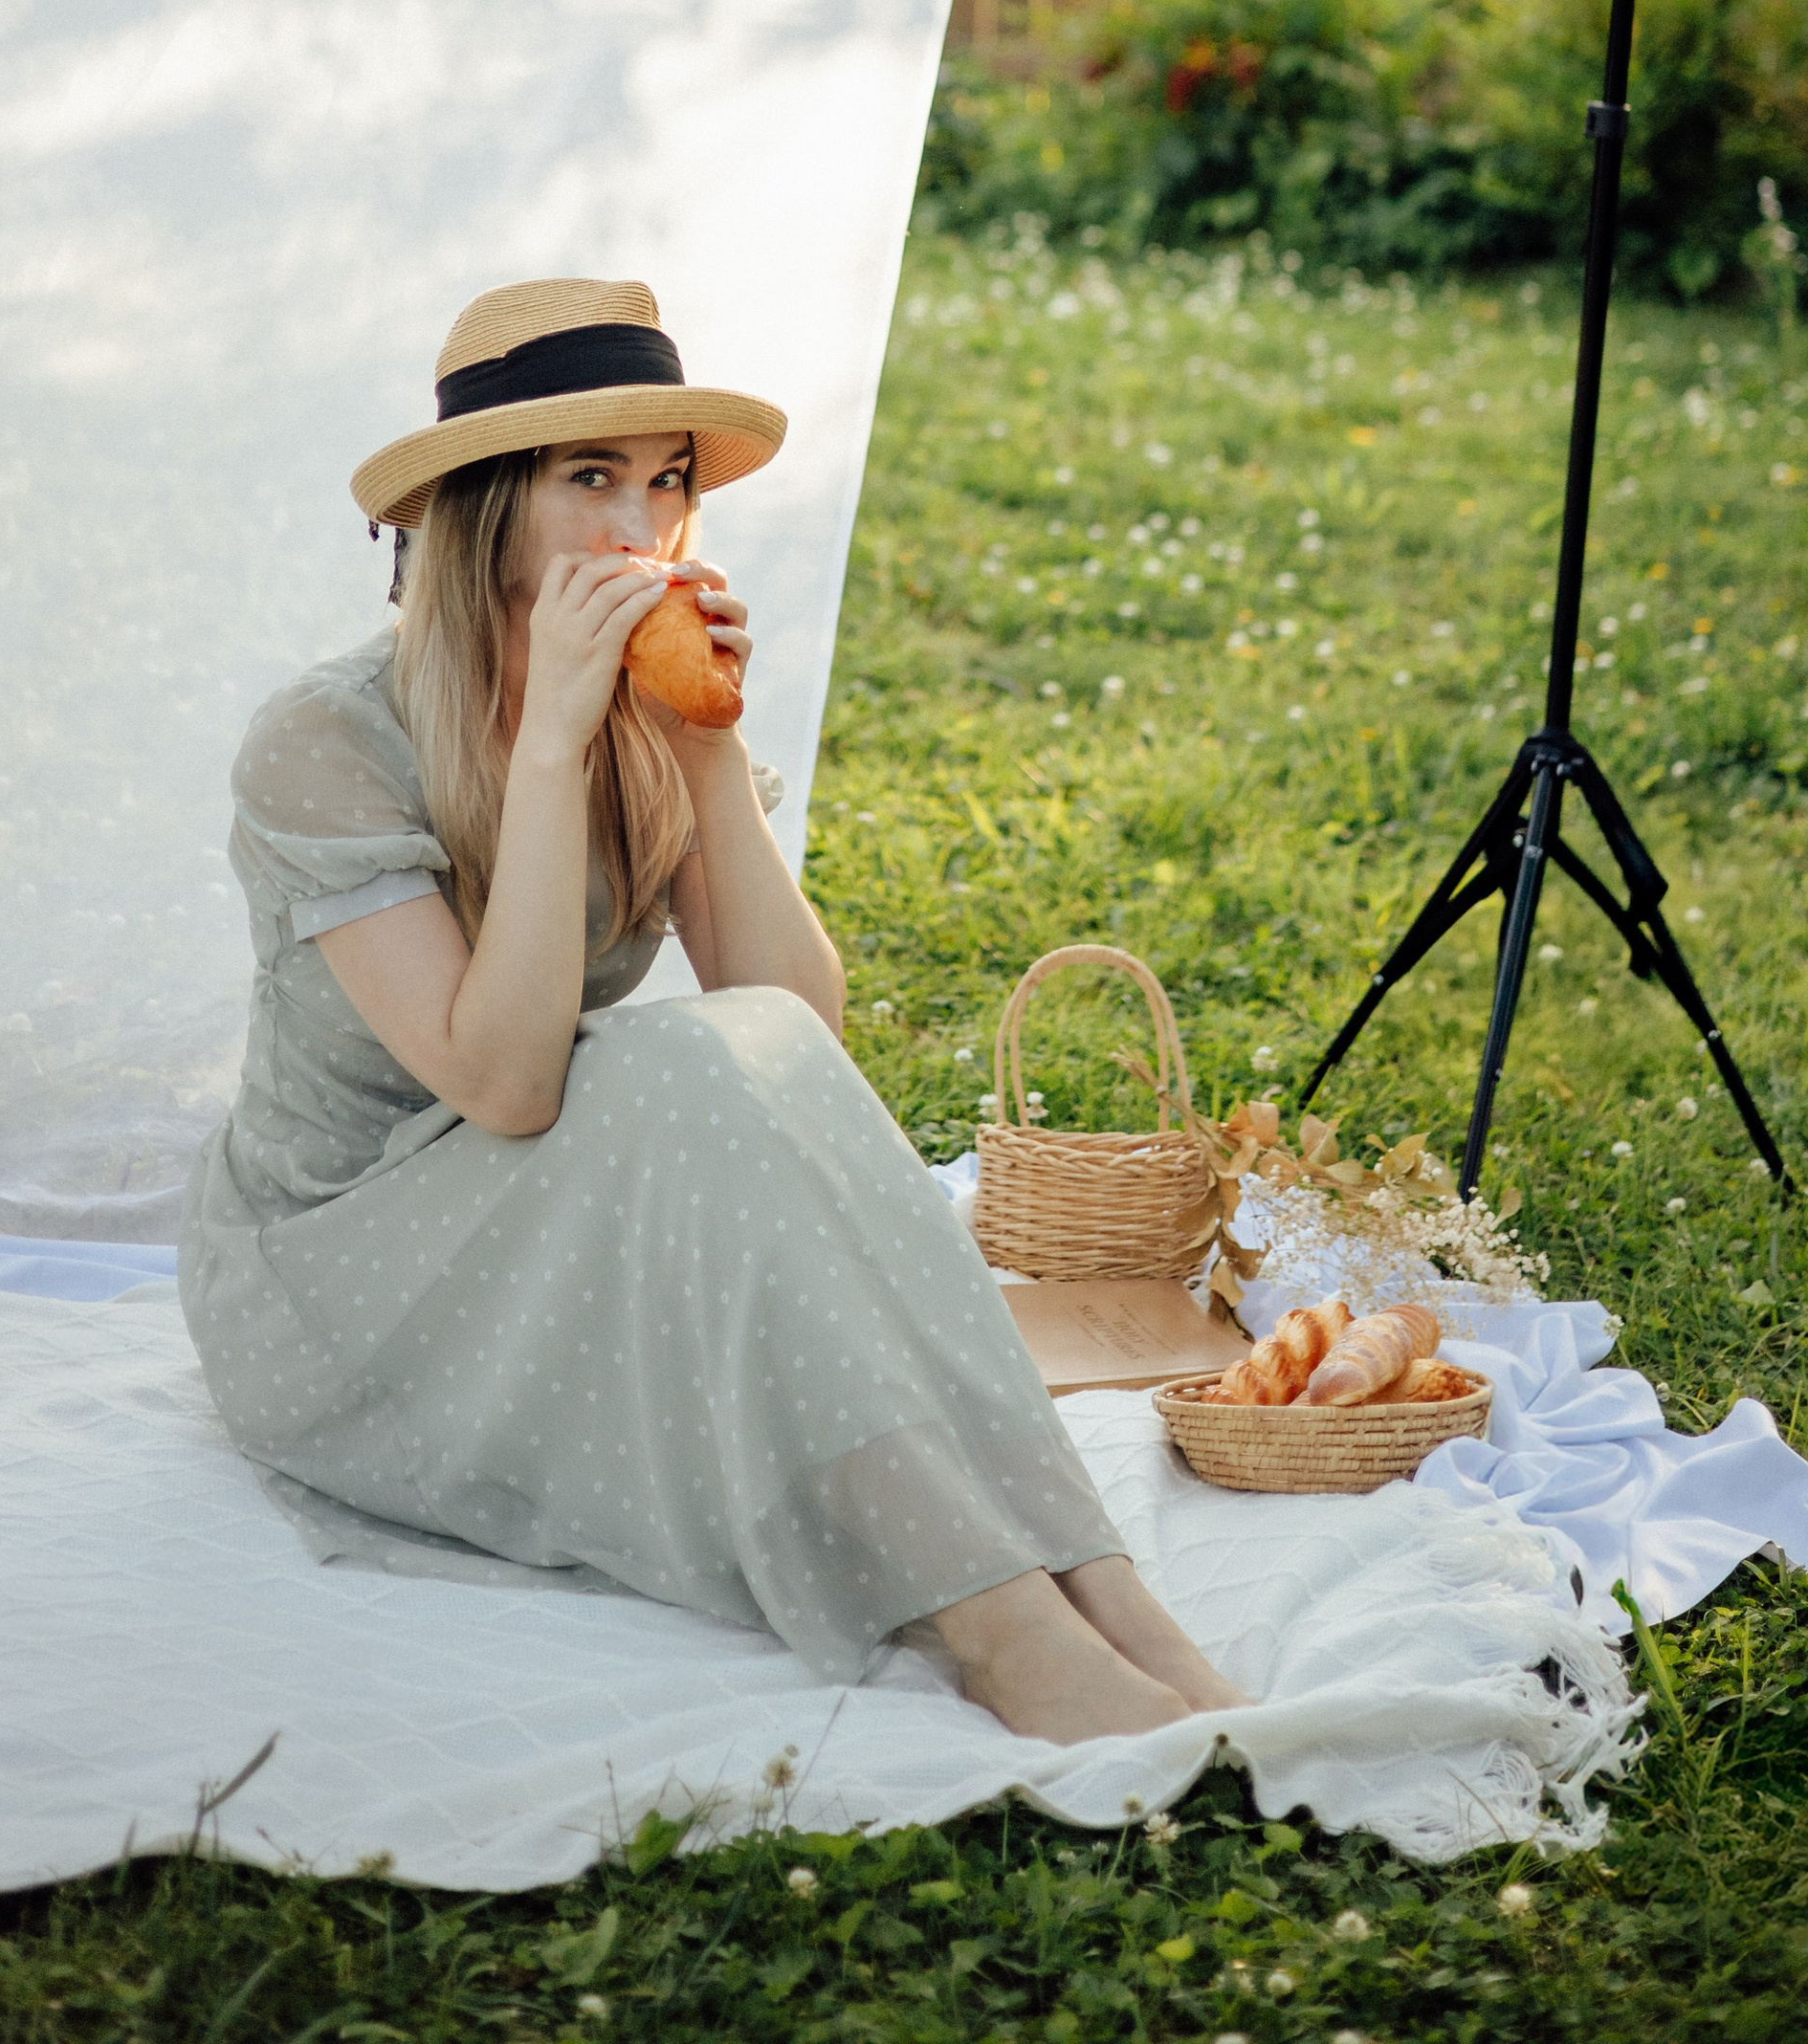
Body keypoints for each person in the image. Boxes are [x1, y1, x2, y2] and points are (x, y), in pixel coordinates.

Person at [181, 275, 1247, 1740]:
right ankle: (1002, 1633)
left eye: (668, 484)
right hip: (341, 1277)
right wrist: (549, 747)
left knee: (723, 1060)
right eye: (591, 479)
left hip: (537, 1231)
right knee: (665, 1069)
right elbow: (508, 1087)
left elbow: (797, 1035)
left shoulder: (641, 701)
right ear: (488, 503)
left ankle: (1099, 1585)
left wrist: (695, 758)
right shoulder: (323, 744)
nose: (641, 527)